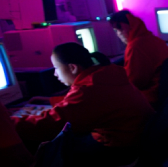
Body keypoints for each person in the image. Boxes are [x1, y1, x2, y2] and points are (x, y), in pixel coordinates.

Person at [12, 42, 154, 155]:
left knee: (51, 149)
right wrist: (49, 101)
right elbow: (82, 104)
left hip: (122, 148)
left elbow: (47, 127)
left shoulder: (88, 89)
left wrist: (8, 122)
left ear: (72, 68)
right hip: (139, 138)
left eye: (56, 67)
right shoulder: (105, 74)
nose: (55, 74)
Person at [107, 10, 168, 106]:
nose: (118, 34)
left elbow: (135, 82)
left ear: (124, 27)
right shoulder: (155, 39)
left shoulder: (135, 46)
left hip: (152, 95)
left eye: (117, 30)